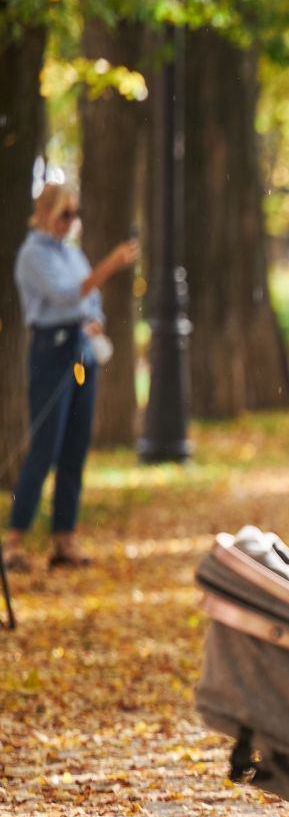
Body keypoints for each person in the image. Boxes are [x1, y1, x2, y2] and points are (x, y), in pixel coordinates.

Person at [5, 182, 137, 573]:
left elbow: (88, 300)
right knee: (44, 447)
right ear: (45, 212)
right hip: (52, 353)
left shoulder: (72, 253)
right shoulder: (32, 255)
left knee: (75, 448)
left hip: (82, 353)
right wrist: (110, 266)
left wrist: (96, 321)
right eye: (65, 213)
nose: (71, 221)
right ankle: (13, 539)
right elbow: (66, 295)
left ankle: (64, 538)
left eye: (75, 214)